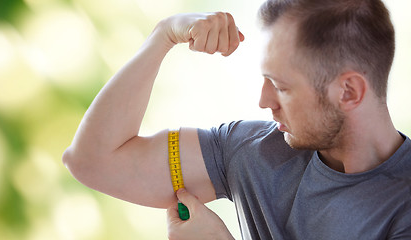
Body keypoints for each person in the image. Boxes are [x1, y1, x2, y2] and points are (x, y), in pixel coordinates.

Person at [62, 0, 411, 239]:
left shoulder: (403, 208)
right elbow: (93, 161)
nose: (264, 102)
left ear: (348, 91)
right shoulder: (253, 151)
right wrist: (164, 35)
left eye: (281, 87)